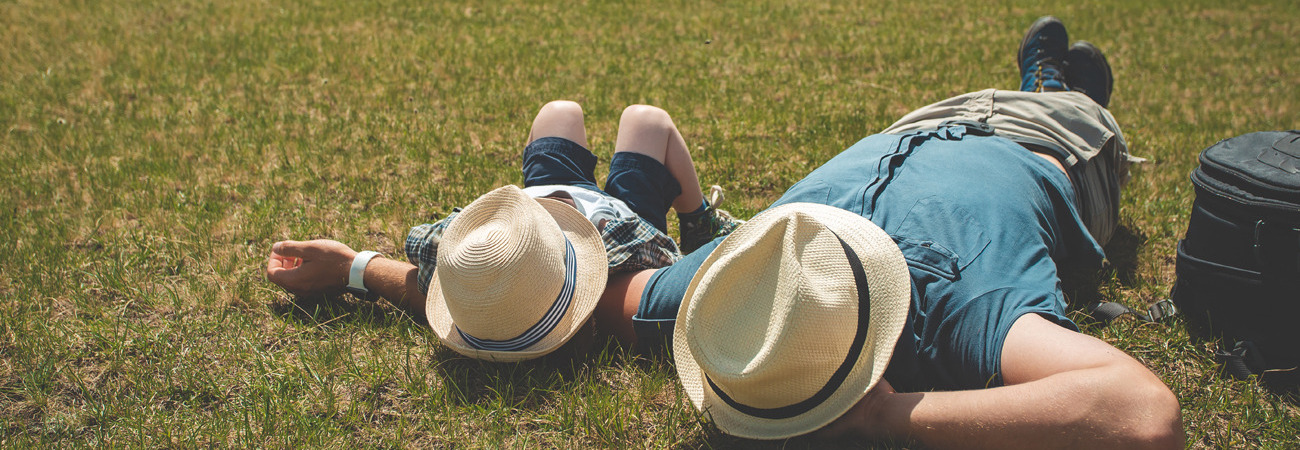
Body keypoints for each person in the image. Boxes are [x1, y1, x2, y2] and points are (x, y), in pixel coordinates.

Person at [596, 16, 1185, 447]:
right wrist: (883, 417)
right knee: (1078, 108)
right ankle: (1061, 88)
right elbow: (1144, 415)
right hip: (1056, 143)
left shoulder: (730, 290)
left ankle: (1046, 80)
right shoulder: (961, 303)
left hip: (921, 122)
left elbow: (609, 288)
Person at [265, 100, 742, 361]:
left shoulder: (478, 271)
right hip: (616, 223)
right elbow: (667, 271)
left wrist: (353, 266)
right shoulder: (623, 281)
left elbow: (429, 284)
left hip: (539, 204)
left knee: (559, 113)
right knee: (646, 120)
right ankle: (701, 220)